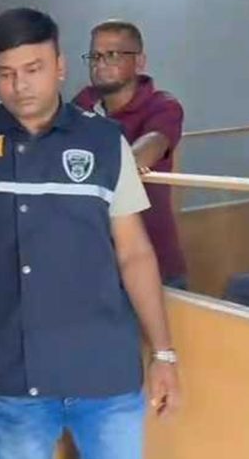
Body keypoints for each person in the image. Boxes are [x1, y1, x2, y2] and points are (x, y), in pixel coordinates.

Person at [0, 8, 181, 459]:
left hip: (103, 369)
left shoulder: (105, 142)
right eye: (4, 73)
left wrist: (163, 353)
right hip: (13, 373)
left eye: (33, 69)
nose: (19, 85)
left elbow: (135, 253)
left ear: (59, 67)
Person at [73, 20, 188, 287]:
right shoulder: (82, 104)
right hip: (98, 264)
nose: (100, 63)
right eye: (95, 56)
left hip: (154, 263)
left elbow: (143, 153)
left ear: (139, 62)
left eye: (112, 55)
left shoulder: (163, 106)